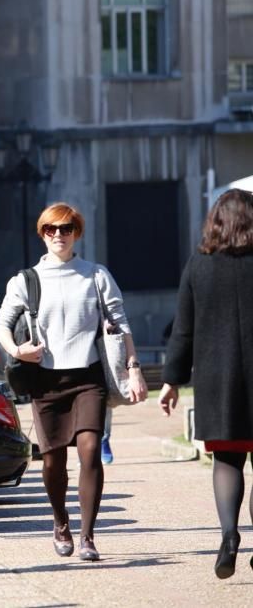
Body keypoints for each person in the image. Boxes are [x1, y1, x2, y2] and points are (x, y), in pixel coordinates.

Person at [0, 202, 147, 562]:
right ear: (42, 234)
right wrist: (18, 348)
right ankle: (60, 521)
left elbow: (121, 323)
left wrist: (135, 367)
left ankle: (88, 536)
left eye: (65, 228)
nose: (58, 235)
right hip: (45, 382)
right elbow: (1, 324)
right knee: (52, 462)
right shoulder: (25, 280)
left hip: (88, 376)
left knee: (91, 450)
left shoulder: (95, 275)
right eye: (51, 229)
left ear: (77, 232)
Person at [159, 189, 253, 580]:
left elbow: (183, 330)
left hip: (218, 380)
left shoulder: (198, 264)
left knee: (227, 460)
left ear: (215, 221)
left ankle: (229, 536)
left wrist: (171, 381)